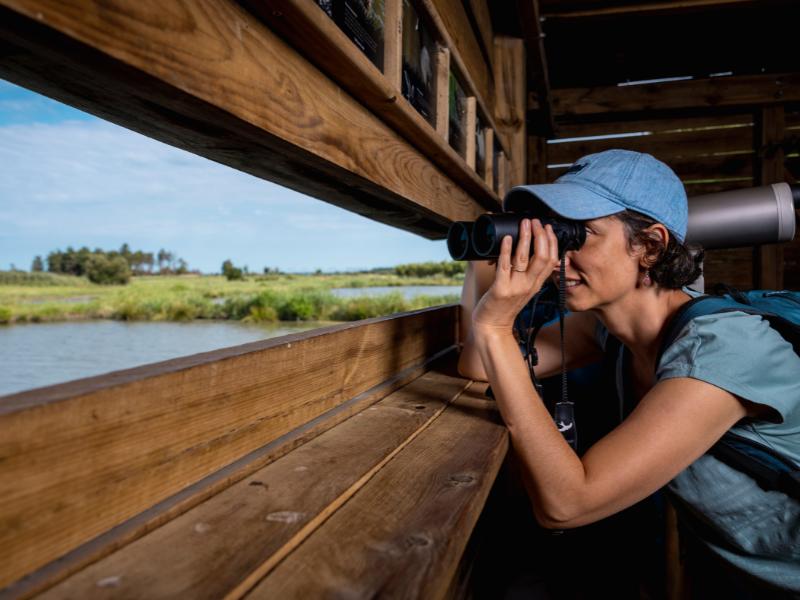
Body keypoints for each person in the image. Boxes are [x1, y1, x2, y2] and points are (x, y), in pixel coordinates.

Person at [457, 149, 800, 597]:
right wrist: (490, 258)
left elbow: (567, 504)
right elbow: (479, 364)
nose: (560, 255)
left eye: (579, 234)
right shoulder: (609, 331)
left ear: (650, 246)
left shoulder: (720, 352)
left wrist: (497, 325)